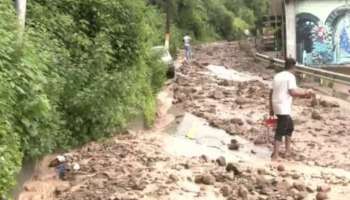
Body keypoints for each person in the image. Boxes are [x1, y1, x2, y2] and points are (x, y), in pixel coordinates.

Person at [269, 58, 314, 160]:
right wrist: (306, 93)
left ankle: (287, 151)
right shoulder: (290, 77)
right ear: (293, 67)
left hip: (276, 105)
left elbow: (271, 92)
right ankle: (275, 155)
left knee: (290, 127)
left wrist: (271, 108)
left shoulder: (277, 76)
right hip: (283, 107)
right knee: (280, 130)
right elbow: (292, 92)